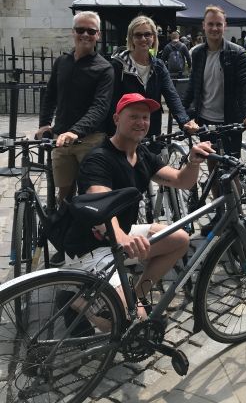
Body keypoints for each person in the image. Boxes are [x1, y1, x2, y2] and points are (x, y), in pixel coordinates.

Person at [63, 93, 214, 319]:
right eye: (133, 116)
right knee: (130, 322)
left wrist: (192, 161)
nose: (141, 122)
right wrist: (123, 238)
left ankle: (136, 295)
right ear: (116, 119)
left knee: (180, 239)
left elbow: (182, 181)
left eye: (145, 117)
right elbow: (100, 208)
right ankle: (77, 303)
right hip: (91, 247)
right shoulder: (99, 158)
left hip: (121, 238)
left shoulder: (141, 154)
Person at [37, 11, 114, 266]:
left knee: (90, 196)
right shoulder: (62, 63)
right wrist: (45, 124)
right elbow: (50, 96)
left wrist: (76, 131)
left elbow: (100, 107)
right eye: (80, 30)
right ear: (73, 32)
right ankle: (68, 244)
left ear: (98, 35)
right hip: (62, 140)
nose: (85, 35)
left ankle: (93, 245)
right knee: (65, 196)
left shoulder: (104, 68)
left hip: (89, 139)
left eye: (91, 31)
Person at [183, 5, 246, 233]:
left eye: (219, 24)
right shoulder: (196, 53)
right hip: (205, 121)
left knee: (231, 170)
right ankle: (220, 215)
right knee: (214, 169)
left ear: (225, 26)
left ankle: (236, 218)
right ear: (204, 26)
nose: (215, 28)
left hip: (229, 121)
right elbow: (193, 88)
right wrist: (184, 115)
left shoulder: (236, 52)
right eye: (211, 24)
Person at [110, 16, 197, 144]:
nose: (143, 39)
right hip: (125, 132)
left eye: (147, 34)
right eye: (138, 35)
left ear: (154, 37)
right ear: (131, 38)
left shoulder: (158, 66)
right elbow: (111, 102)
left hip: (151, 129)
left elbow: (171, 95)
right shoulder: (118, 65)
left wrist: (185, 121)